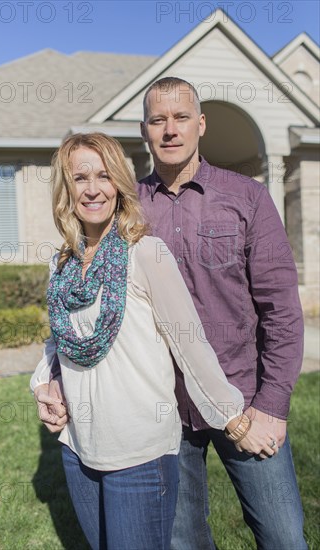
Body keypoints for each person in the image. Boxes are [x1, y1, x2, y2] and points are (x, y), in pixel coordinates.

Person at [30, 132, 276, 550]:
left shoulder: (146, 253)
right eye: (80, 178)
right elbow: (60, 337)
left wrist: (234, 421)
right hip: (78, 446)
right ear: (65, 190)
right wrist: (43, 382)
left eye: (104, 176)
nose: (92, 189)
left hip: (139, 453)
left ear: (120, 184)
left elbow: (191, 346)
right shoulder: (62, 263)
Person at [137, 77, 307, 550]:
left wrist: (272, 406)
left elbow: (282, 311)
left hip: (245, 400)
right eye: (158, 120)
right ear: (145, 130)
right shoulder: (126, 208)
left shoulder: (246, 197)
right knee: (182, 542)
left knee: (283, 537)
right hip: (166, 409)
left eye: (181, 117)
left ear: (200, 124)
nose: (170, 130)